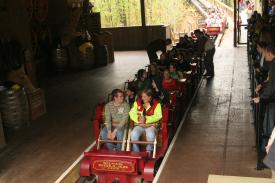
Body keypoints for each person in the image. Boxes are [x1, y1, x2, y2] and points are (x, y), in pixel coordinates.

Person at [129, 89, 162, 153]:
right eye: (142, 96)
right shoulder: (137, 102)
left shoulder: (157, 104)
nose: (142, 98)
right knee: (133, 134)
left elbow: (158, 116)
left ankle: (148, 151)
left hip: (151, 125)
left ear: (150, 97)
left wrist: (146, 119)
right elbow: (131, 113)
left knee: (150, 135)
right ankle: (136, 151)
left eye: (144, 96)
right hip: (139, 124)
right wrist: (138, 119)